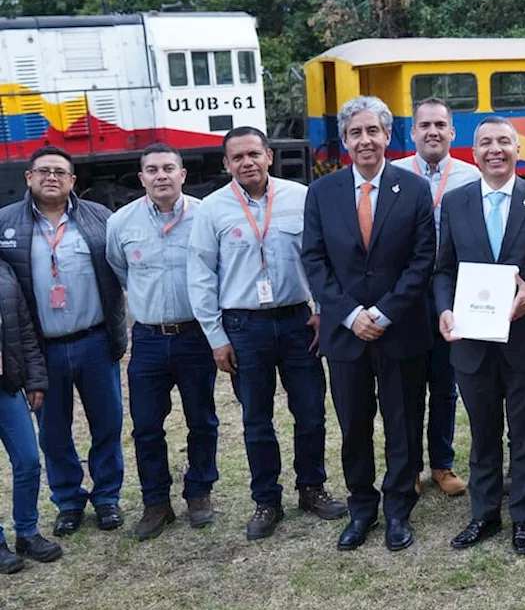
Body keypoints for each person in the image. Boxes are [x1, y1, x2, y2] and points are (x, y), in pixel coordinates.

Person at [188, 127, 347, 540]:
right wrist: (215, 337)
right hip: (244, 326)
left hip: (299, 323)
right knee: (257, 419)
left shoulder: (300, 197)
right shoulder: (212, 209)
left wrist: (324, 310)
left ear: (269, 156)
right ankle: (266, 500)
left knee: (311, 411)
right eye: (237, 157)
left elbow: (324, 259)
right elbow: (200, 276)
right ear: (226, 164)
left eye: (254, 154)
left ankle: (311, 487)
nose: (247, 163)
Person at [303, 96, 435, 552]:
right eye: (356, 133)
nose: (365, 140)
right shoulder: (321, 193)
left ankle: (398, 510)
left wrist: (382, 312)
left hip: (399, 331)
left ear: (387, 136)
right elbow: (314, 261)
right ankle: (362, 509)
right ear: (344, 141)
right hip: (346, 335)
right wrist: (351, 314)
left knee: (403, 424)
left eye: (373, 131)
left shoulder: (414, 189)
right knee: (354, 426)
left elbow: (422, 261)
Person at [435, 116, 525, 556]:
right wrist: (444, 309)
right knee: (483, 432)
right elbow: (443, 270)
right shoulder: (455, 203)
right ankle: (484, 514)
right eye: (486, 142)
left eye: (504, 142)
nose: (495, 149)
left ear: (517, 149)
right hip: (471, 342)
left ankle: (524, 519)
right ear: (473, 153)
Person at [0, 146, 126, 538]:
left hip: (94, 340)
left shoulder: (99, 218)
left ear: (73, 180)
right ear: (28, 178)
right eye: (43, 171)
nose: (51, 177)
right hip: (42, 349)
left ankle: (107, 497)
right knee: (53, 432)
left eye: (60, 172)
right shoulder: (5, 224)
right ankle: (68, 500)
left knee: (107, 423)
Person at [106, 144, 219, 540]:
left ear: (183, 174)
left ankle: (200, 491)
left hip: (195, 337)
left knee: (202, 420)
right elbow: (120, 271)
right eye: (152, 169)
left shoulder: (207, 216)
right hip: (149, 339)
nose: (161, 175)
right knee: (147, 426)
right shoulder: (121, 223)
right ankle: (156, 503)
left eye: (169, 168)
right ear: (141, 178)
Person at [392, 97, 481, 499]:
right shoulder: (394, 176)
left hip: (452, 295)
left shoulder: (470, 177)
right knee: (406, 386)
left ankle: (442, 464)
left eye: (440, 125)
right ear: (412, 133)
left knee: (446, 385)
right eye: (424, 125)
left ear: (452, 132)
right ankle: (407, 466)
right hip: (406, 297)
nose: (432, 132)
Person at [0, 256, 57, 572]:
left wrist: (34, 378)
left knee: (28, 460)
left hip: (6, 387)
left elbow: (23, 328)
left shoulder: (4, 268)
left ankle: (27, 532)